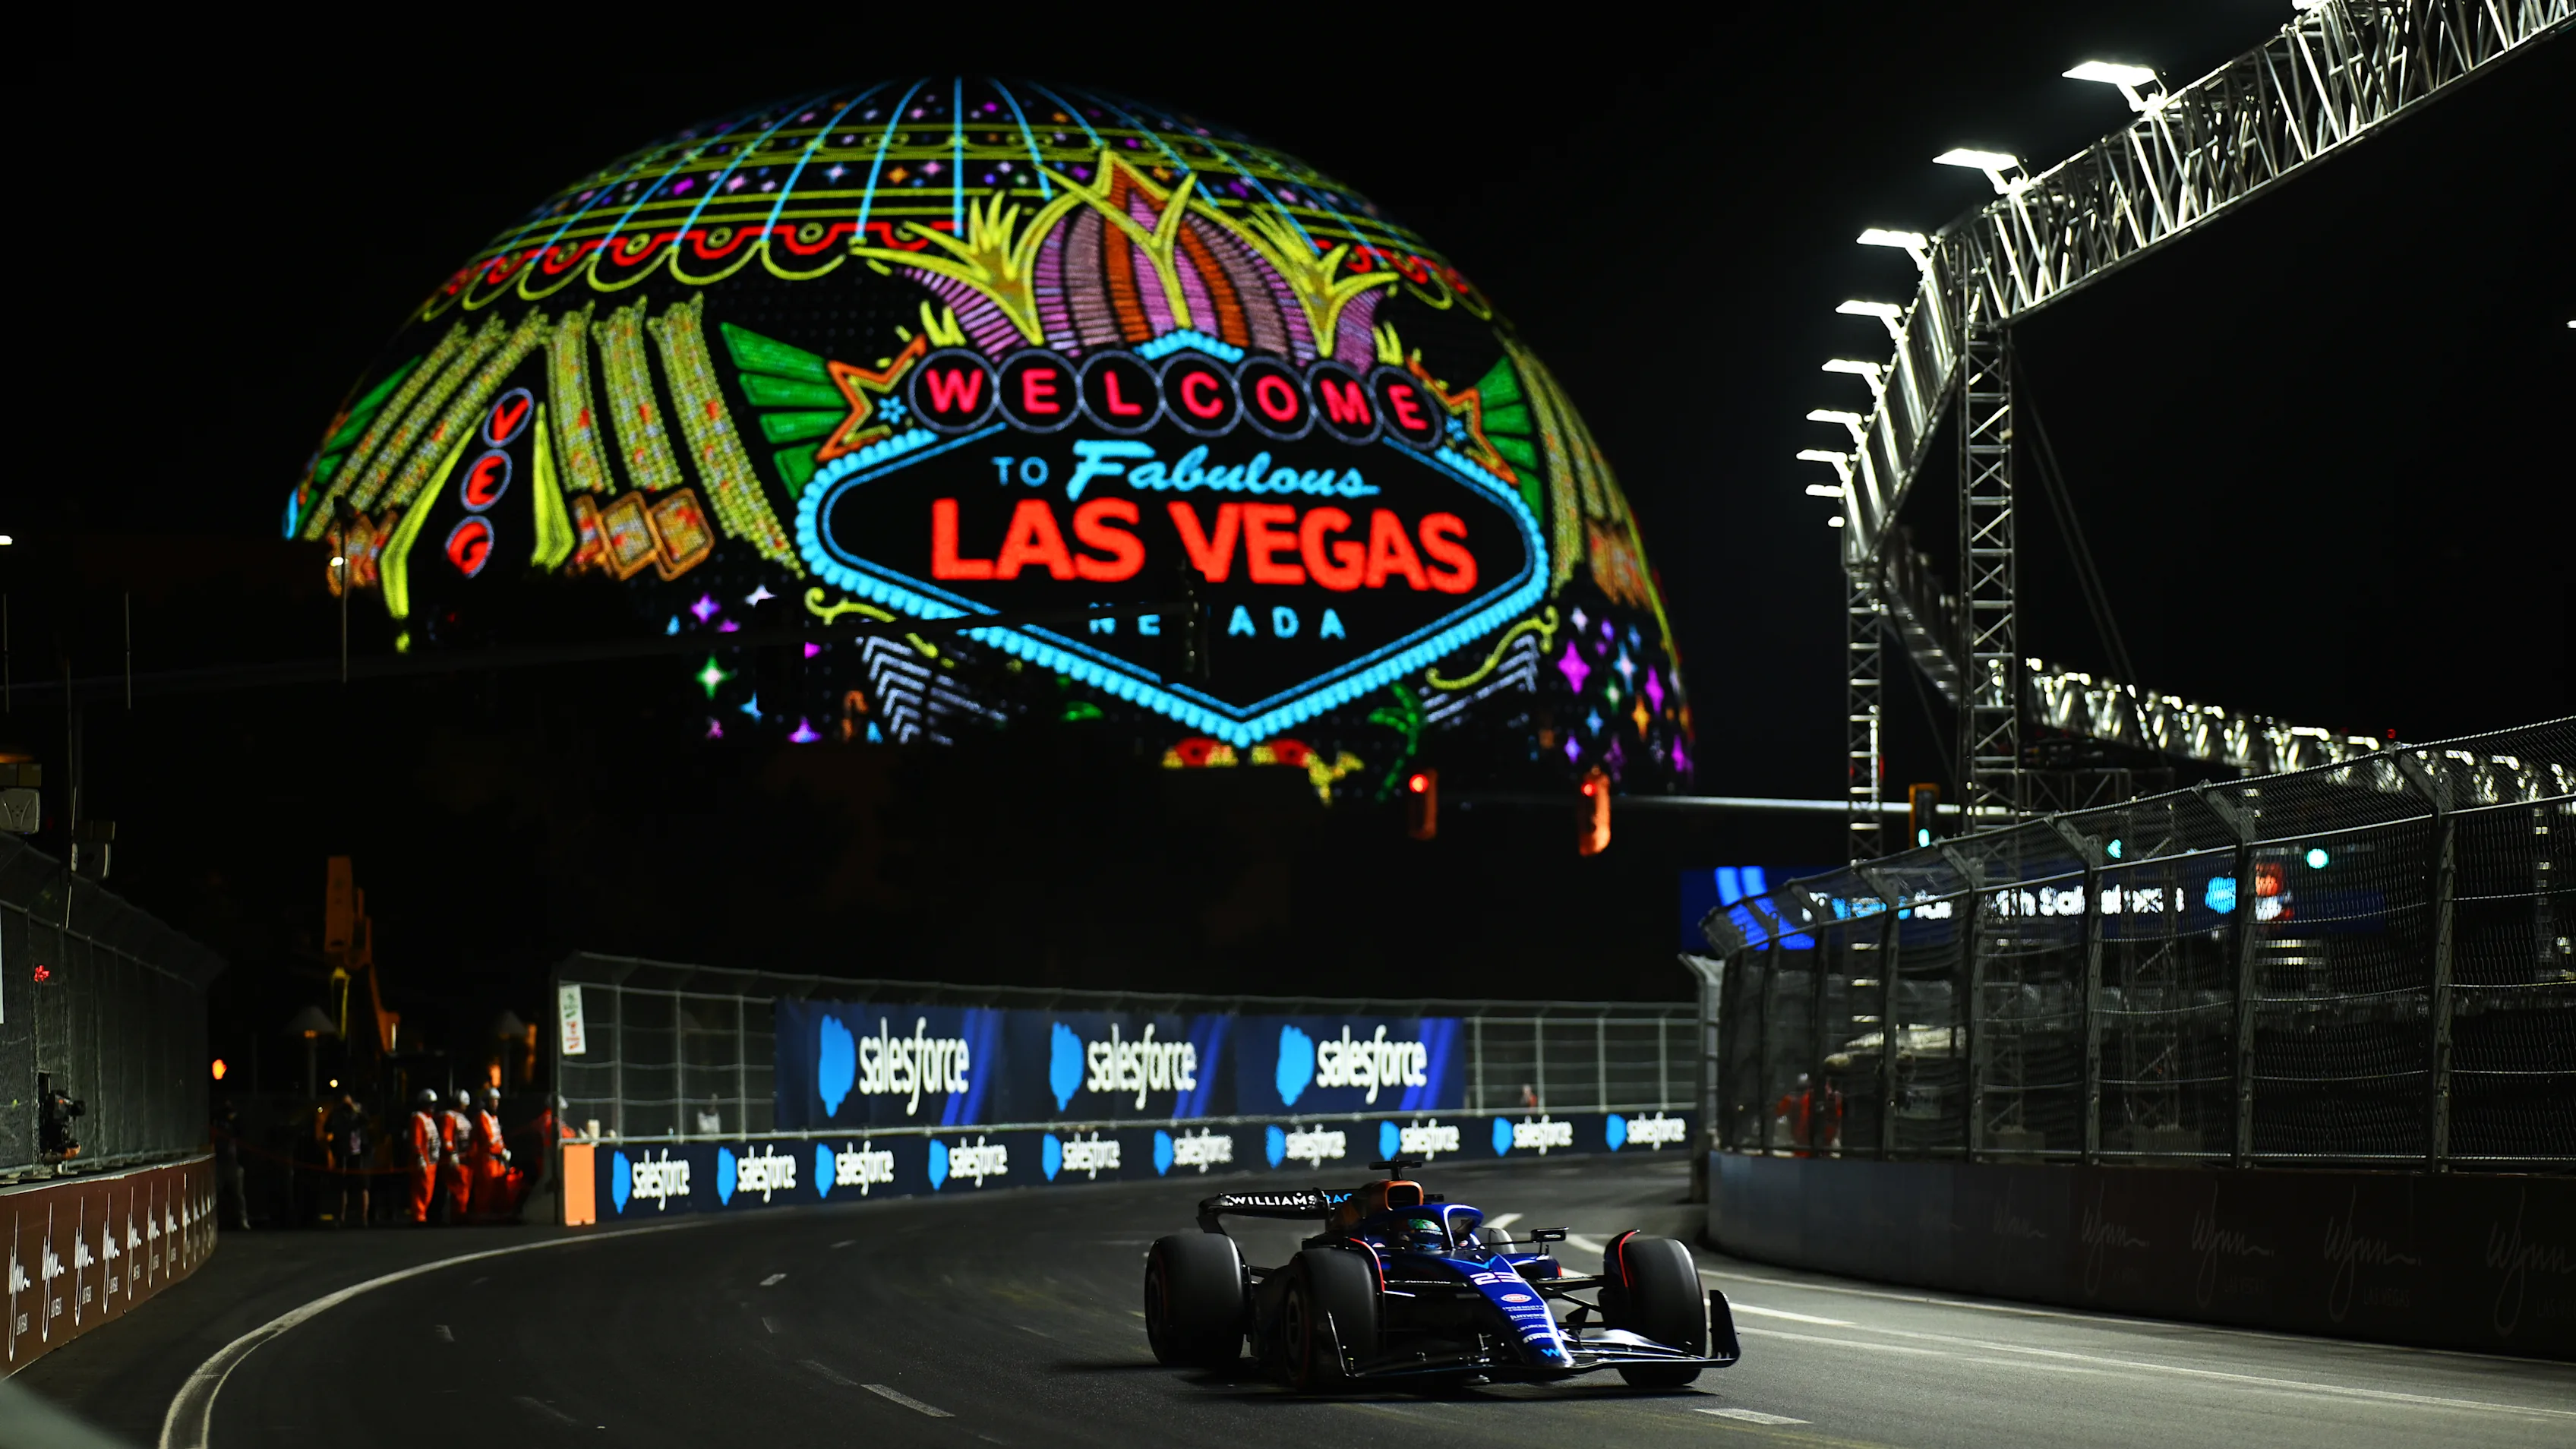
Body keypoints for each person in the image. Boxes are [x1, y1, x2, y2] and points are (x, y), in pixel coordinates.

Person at [472, 1088, 518, 1222]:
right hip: (487, 1159)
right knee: (486, 1189)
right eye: (493, 1101)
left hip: (497, 1159)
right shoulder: (482, 1117)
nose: (495, 1104)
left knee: (499, 1188)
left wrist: (504, 1149)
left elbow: (498, 1137)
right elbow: (488, 1140)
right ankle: (482, 1216)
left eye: (497, 1101)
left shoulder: (494, 1118)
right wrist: (501, 1151)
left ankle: (498, 1214)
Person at [328, 1092, 371, 1227]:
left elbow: (366, 1120)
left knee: (362, 1186)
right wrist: (337, 1113)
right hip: (342, 1153)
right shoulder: (337, 1114)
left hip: (358, 1153)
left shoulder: (358, 1112)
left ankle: (363, 1217)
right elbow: (327, 1127)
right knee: (341, 1186)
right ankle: (340, 1217)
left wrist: (355, 1109)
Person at [406, 1091, 444, 1224]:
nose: (432, 1107)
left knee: (428, 1191)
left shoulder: (430, 1119)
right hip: (423, 1161)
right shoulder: (418, 1118)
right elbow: (416, 1140)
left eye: (433, 1104)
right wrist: (419, 1157)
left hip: (432, 1161)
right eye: (429, 1104)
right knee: (420, 1190)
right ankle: (418, 1216)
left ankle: (422, 1214)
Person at [440, 1089, 476, 1223]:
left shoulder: (462, 1117)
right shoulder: (450, 1116)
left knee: (465, 1187)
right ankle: (457, 1215)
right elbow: (447, 1137)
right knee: (458, 1187)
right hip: (457, 1158)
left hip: (465, 1158)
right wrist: (451, 1153)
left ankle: (462, 1212)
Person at [213, 1100, 251, 1230]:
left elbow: (241, 1133)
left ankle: (242, 1220)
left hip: (233, 1163)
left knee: (238, 1195)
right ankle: (214, 1220)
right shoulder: (217, 1119)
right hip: (219, 1162)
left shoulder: (236, 1121)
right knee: (216, 1192)